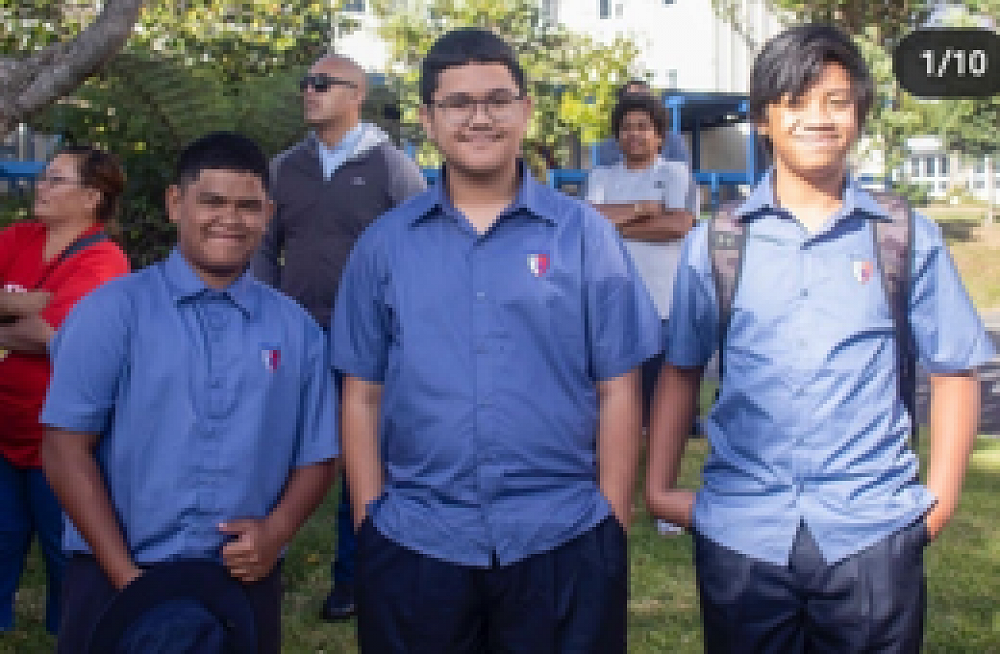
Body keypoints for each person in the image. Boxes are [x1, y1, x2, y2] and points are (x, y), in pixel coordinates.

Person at [646, 24, 994, 653]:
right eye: (796, 101)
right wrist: (660, 490)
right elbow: (681, 369)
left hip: (872, 534)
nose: (817, 118)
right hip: (743, 535)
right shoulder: (719, 242)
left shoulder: (901, 236)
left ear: (859, 113)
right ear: (763, 119)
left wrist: (937, 505)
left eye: (835, 101)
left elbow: (954, 369)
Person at [331, 28, 660, 653]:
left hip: (563, 537)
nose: (479, 118)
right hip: (416, 541)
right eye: (458, 103)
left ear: (525, 110)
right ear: (428, 119)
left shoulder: (585, 238)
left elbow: (619, 388)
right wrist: (371, 524)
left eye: (497, 100)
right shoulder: (384, 247)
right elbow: (362, 395)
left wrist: (612, 523)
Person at [41, 132, 337, 654]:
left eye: (247, 206)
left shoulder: (297, 332)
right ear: (176, 203)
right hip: (117, 573)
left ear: (267, 214)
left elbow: (317, 455)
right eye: (212, 202)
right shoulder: (111, 314)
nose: (230, 219)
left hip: (240, 579)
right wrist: (126, 576)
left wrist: (275, 532)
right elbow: (65, 448)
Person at [251, 53, 426, 622]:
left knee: (361, 458)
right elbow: (263, 246)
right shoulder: (284, 168)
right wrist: (266, 310)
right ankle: (254, 558)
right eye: (307, 82)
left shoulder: (393, 169)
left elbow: (420, 252)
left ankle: (354, 578)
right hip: (293, 333)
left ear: (357, 94)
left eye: (323, 84)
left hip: (368, 339)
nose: (310, 91)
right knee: (274, 446)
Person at [0, 145, 130, 635]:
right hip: (5, 427)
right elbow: (39, 324)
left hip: (61, 437)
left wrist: (25, 314)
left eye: (56, 179)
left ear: (92, 196)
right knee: (2, 536)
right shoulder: (19, 237)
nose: (42, 186)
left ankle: (70, 632)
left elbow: (53, 336)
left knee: (65, 547)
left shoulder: (103, 260)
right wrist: (30, 303)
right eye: (44, 176)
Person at [586, 92, 696, 537]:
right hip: (611, 305)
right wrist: (639, 210)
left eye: (643, 127)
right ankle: (612, 493)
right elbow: (588, 220)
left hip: (664, 305)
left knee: (661, 408)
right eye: (627, 127)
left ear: (659, 135)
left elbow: (679, 224)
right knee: (610, 403)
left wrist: (618, 225)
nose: (634, 134)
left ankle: (662, 498)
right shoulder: (601, 176)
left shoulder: (675, 174)